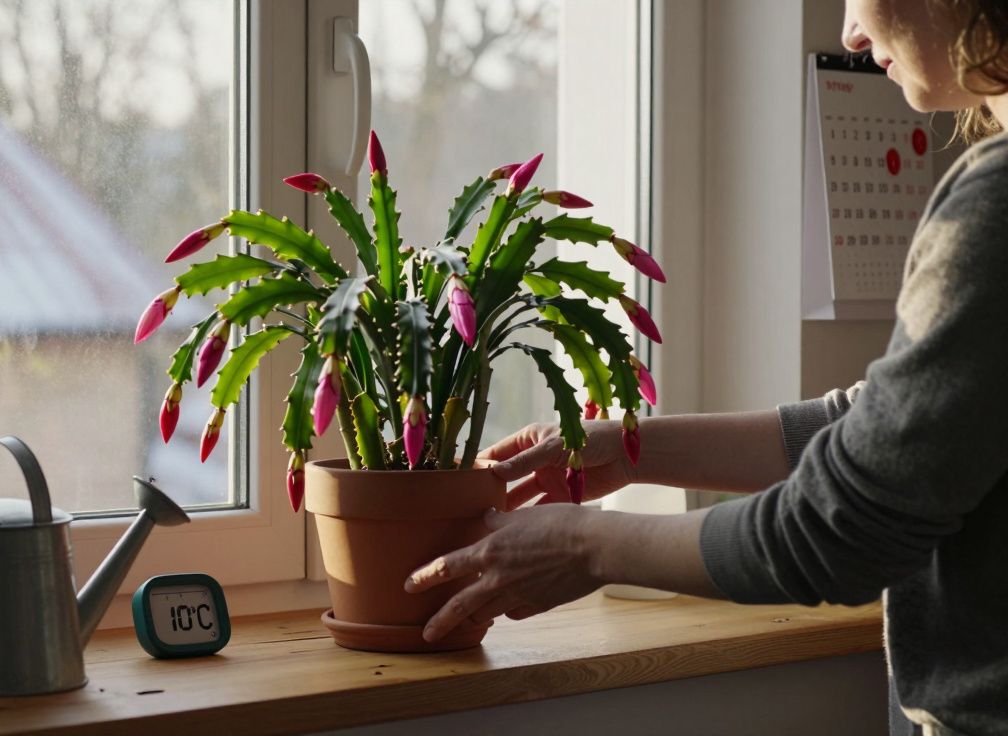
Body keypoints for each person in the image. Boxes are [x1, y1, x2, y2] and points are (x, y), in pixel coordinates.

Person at [405, 1, 1008, 733]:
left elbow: (841, 526)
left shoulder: (994, 209)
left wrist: (585, 545)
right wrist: (633, 450)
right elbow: (886, 432)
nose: (849, 31)